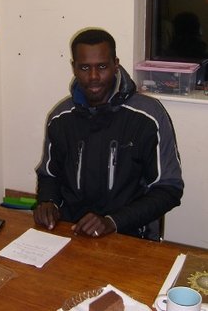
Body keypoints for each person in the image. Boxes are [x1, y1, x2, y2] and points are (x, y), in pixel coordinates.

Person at [33, 28, 184, 240]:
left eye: (102, 67)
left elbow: (169, 189)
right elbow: (50, 174)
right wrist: (48, 202)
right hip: (70, 232)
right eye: (84, 67)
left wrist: (112, 221)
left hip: (128, 235)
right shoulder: (60, 117)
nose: (93, 77)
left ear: (115, 64)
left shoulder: (148, 116)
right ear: (74, 68)